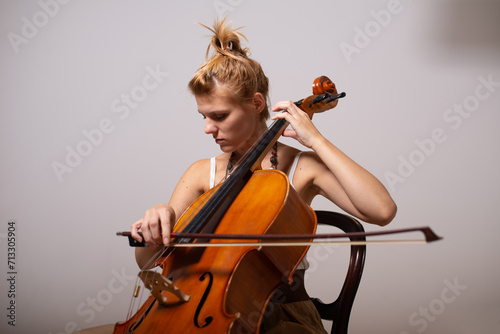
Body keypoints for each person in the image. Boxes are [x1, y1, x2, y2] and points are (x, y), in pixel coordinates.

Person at [77, 18, 397, 334]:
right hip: (199, 311)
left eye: (219, 116)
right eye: (203, 116)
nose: (207, 128)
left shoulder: (303, 169)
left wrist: (316, 140)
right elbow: (148, 262)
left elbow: (381, 211)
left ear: (256, 104)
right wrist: (154, 226)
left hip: (274, 319)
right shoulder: (203, 172)